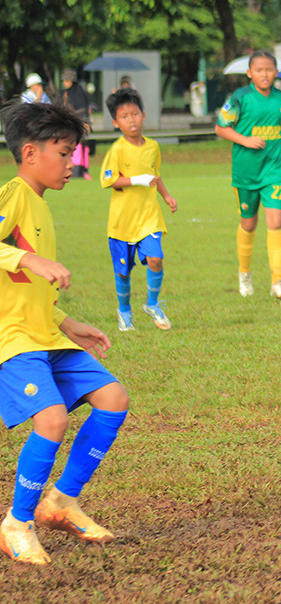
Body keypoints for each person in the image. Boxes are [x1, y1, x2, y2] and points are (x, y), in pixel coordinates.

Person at [0, 101, 130, 565]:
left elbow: (26, 290)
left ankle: (59, 501)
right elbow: (17, 264)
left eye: (74, 152)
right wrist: (29, 258)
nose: (73, 162)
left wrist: (69, 323)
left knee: (113, 397)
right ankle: (16, 523)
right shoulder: (14, 193)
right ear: (30, 152)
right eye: (64, 152)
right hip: (13, 340)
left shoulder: (40, 205)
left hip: (46, 334)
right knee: (52, 420)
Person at [214, 50, 281, 300]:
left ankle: (278, 282)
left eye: (270, 69)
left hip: (273, 167)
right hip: (246, 170)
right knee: (248, 223)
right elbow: (220, 127)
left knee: (276, 221)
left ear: (276, 72)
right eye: (260, 70)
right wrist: (246, 140)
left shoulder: (280, 97)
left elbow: (277, 121)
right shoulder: (239, 98)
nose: (265, 74)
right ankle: (244, 273)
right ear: (250, 73)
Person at [99, 88, 177, 331]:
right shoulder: (118, 150)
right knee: (123, 272)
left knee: (156, 258)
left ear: (143, 115)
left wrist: (166, 195)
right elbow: (107, 180)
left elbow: (155, 175)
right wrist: (136, 180)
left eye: (134, 114)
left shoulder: (153, 146)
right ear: (115, 122)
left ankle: (152, 304)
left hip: (148, 218)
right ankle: (124, 312)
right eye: (124, 116)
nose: (131, 120)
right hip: (122, 222)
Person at [61, 69, 92, 180]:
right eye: (64, 80)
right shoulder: (63, 93)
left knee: (81, 148)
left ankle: (82, 170)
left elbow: (83, 109)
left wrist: (85, 123)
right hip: (66, 126)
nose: (65, 83)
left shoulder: (79, 93)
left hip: (78, 125)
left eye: (67, 80)